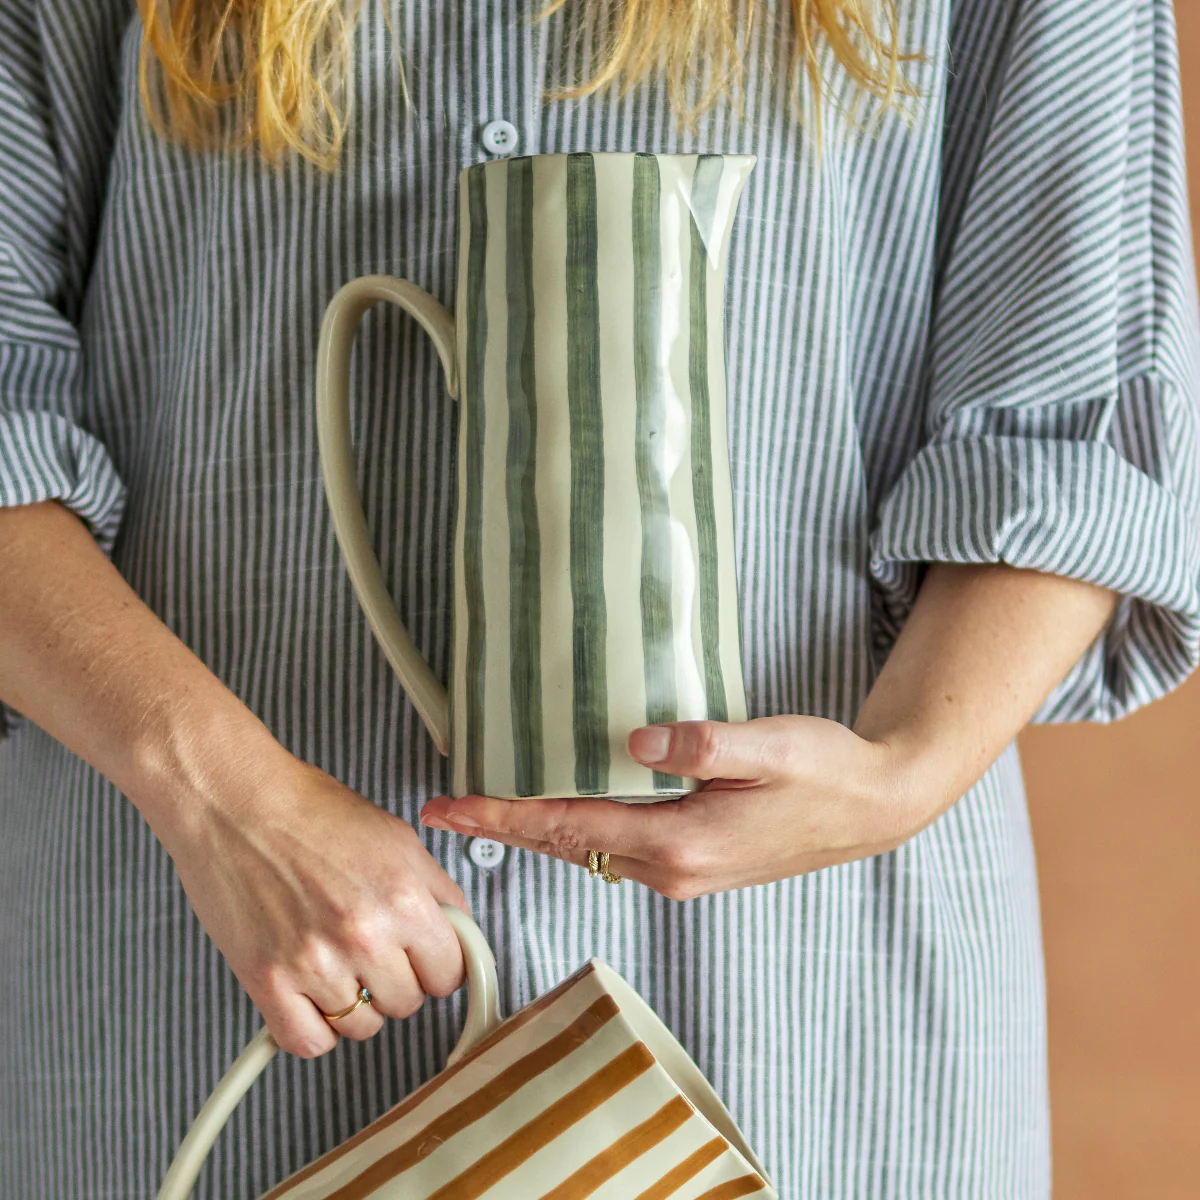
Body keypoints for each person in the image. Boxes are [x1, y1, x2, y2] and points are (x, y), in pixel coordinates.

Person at [1, 0, 1197, 1196]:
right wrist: (219, 793)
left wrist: (903, 771)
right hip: (212, 958)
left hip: (800, 996)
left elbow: (1076, 411)